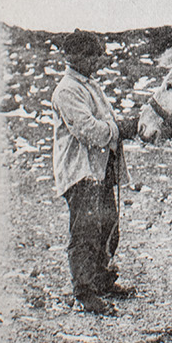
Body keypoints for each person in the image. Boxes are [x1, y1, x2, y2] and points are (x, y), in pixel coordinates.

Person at [50, 29, 139, 314]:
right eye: (92, 56)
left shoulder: (89, 85)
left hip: (98, 171)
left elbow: (103, 122)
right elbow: (88, 130)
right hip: (80, 172)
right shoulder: (67, 90)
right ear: (74, 57)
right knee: (85, 232)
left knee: (107, 224)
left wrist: (122, 127)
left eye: (97, 56)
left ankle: (100, 280)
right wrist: (119, 129)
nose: (97, 62)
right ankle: (84, 292)